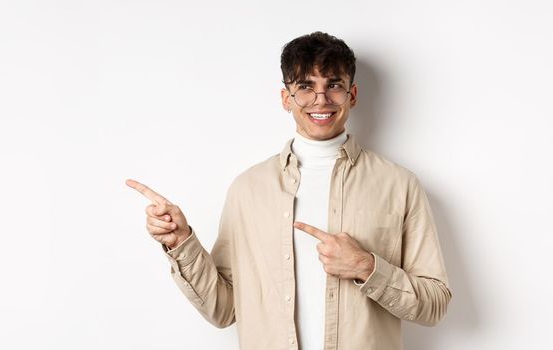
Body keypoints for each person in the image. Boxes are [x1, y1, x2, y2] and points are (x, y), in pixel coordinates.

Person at [125, 31, 451, 350]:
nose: (320, 99)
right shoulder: (249, 189)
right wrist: (181, 242)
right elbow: (223, 309)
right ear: (287, 98)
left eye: (333, 85)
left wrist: (367, 267)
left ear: (352, 94)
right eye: (306, 87)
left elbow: (434, 305)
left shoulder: (398, 185)